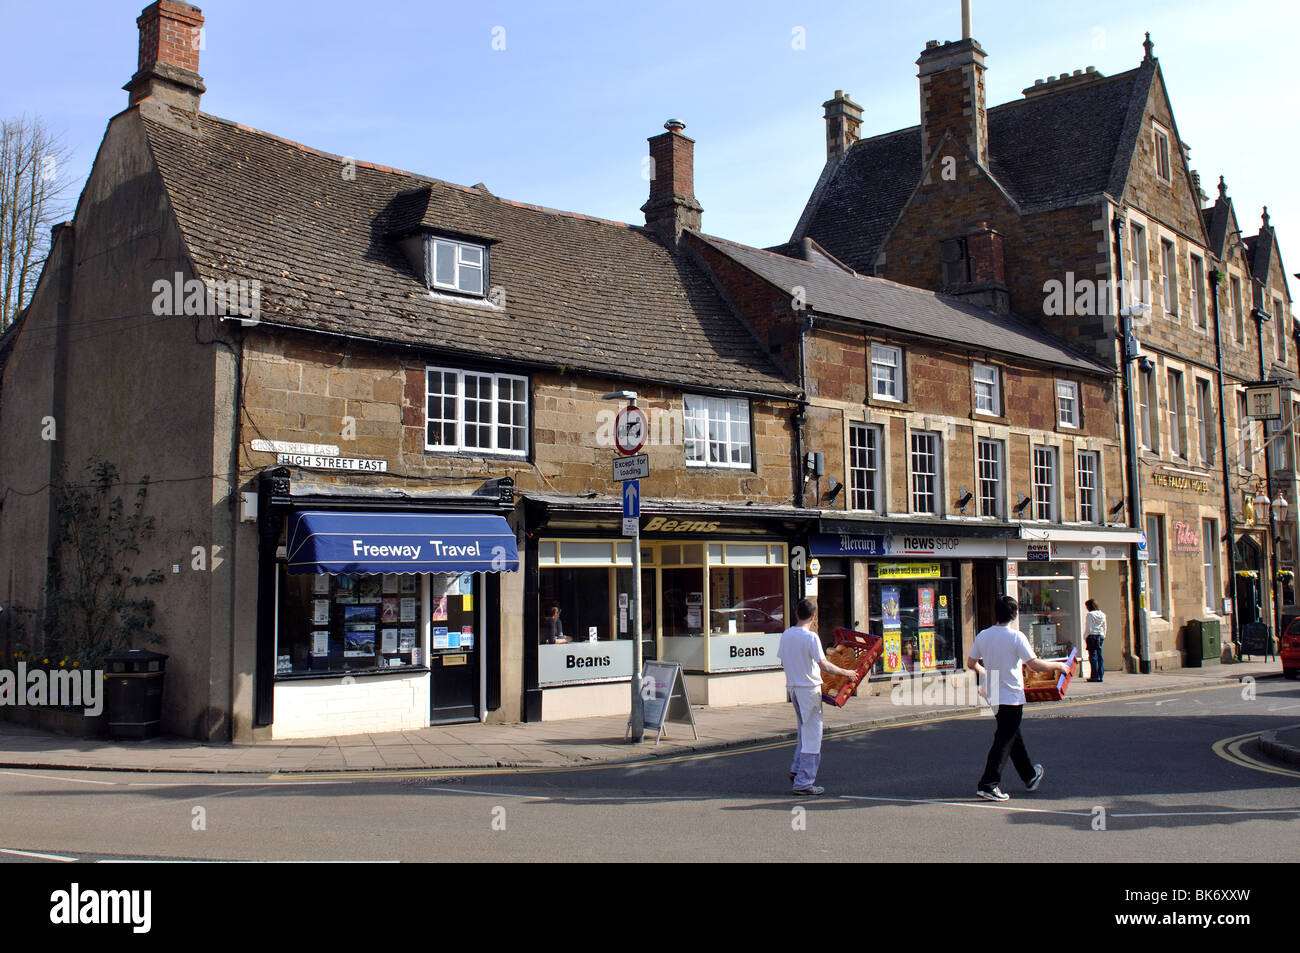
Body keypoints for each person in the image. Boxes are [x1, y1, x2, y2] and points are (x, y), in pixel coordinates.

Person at [966, 595, 1071, 801]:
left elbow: (971, 663)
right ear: (1014, 614)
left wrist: (985, 674)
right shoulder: (1016, 637)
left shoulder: (983, 635)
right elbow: (1034, 665)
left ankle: (1030, 776)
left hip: (994, 697)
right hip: (1012, 696)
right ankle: (988, 784)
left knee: (1012, 736)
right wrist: (1059, 665)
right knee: (1004, 739)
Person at [777, 598, 858, 796]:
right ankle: (804, 782)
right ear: (813, 617)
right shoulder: (811, 638)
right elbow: (825, 665)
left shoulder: (786, 634)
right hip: (809, 690)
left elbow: (783, 661)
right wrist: (847, 673)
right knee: (813, 737)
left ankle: (797, 770)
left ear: (797, 614)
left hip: (794, 689)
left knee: (804, 732)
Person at [1084, 598, 1107, 682]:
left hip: (1092, 636)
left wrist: (1085, 636)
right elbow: (1104, 626)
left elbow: (1089, 628)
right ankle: (1101, 676)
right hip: (1100, 636)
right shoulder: (1102, 614)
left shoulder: (1090, 615)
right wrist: (1103, 635)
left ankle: (1094, 676)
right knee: (1100, 656)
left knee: (1093, 657)